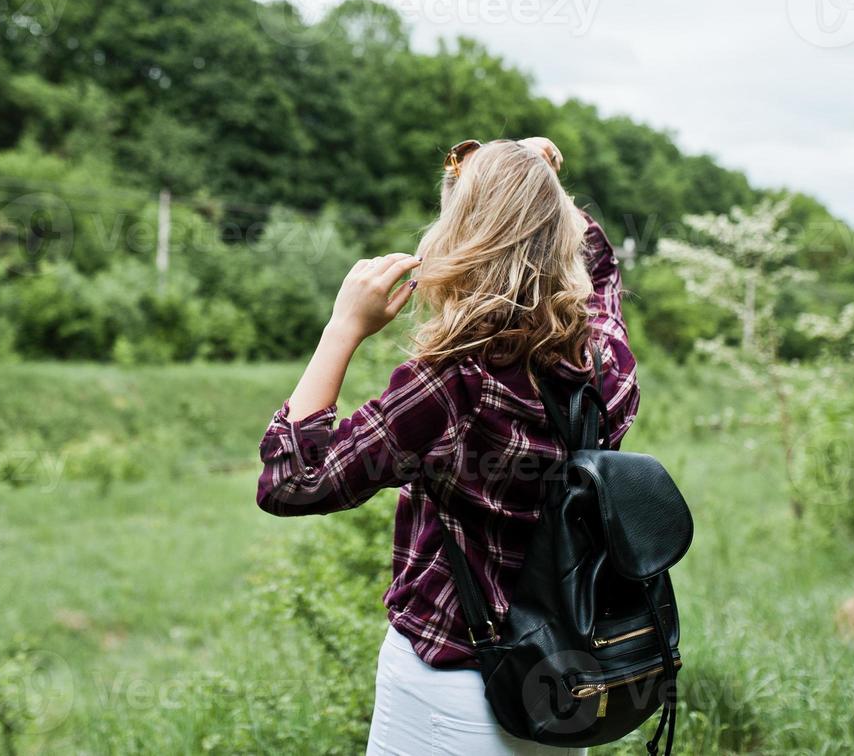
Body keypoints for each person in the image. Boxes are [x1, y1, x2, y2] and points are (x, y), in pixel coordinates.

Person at [256, 137, 640, 755]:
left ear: (463, 240)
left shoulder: (454, 382)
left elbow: (291, 482)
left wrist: (342, 328)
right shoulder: (605, 359)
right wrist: (534, 183)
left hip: (452, 693)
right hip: (564, 678)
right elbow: (600, 267)